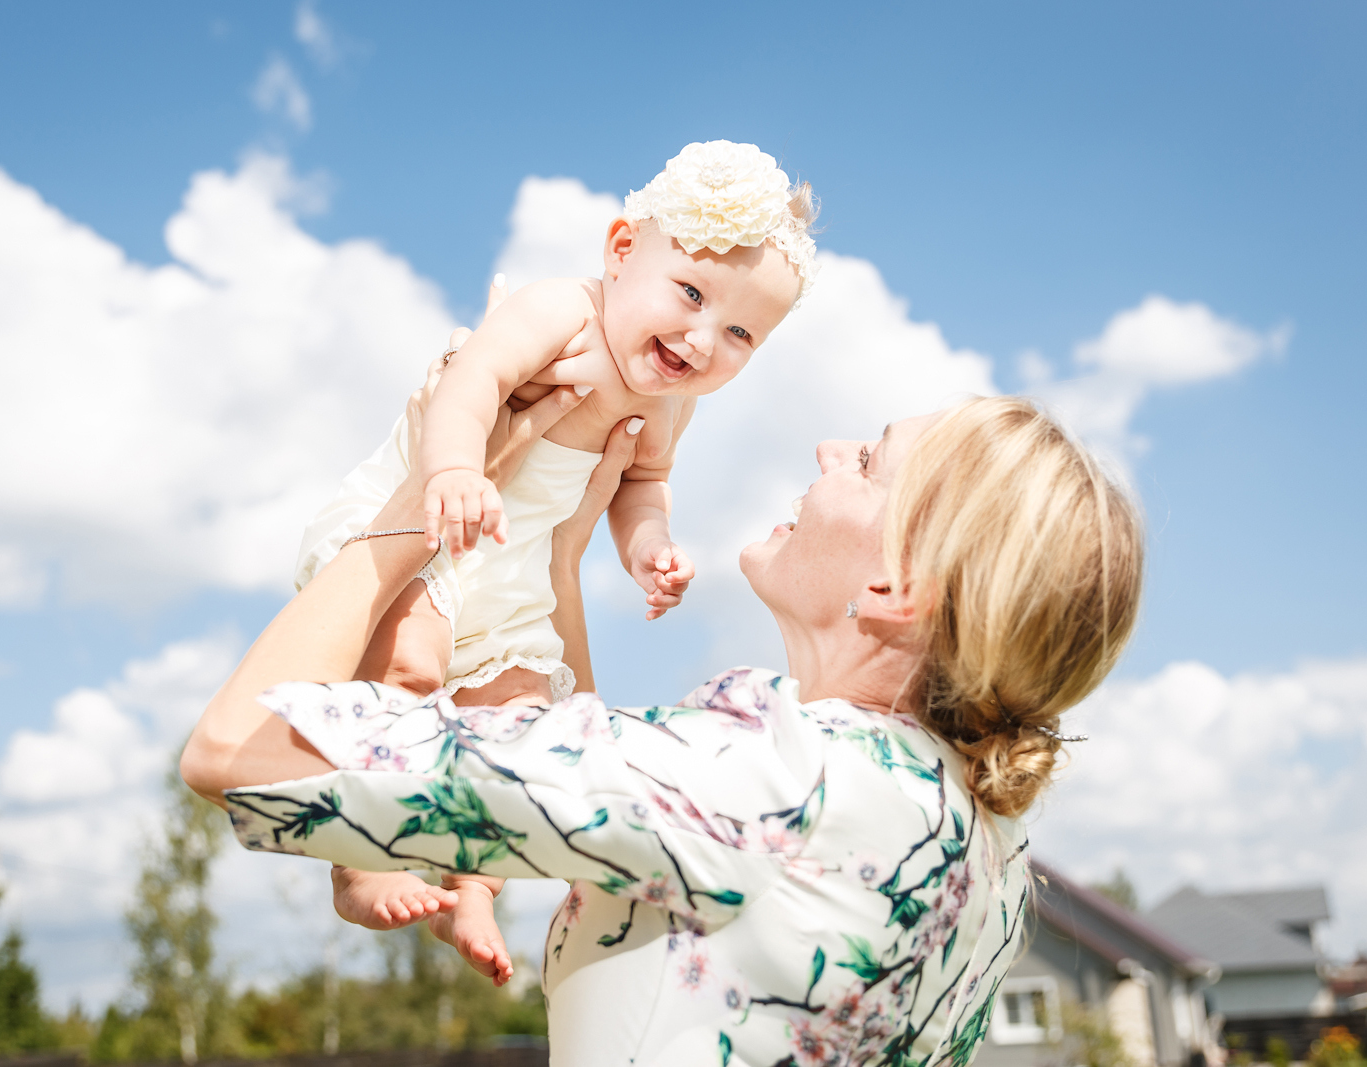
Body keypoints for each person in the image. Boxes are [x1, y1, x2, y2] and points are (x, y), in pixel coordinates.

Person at [182, 326, 1144, 1064]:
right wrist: (557, 560)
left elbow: (239, 749)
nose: (828, 448)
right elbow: (609, 822)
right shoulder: (982, 845)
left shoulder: (781, 781)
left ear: (896, 589)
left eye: (868, 463)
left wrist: (414, 512)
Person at [291, 140, 819, 952]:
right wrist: (459, 469)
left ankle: (475, 887)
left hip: (515, 582)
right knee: (409, 668)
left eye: (741, 331)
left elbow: (641, 487)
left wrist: (651, 547)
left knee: (520, 728)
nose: (703, 337)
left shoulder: (672, 404)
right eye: (690, 292)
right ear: (620, 252)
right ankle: (356, 863)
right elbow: (471, 381)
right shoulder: (558, 310)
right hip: (432, 527)